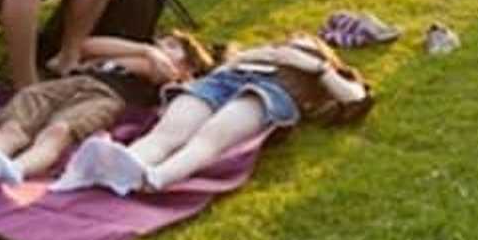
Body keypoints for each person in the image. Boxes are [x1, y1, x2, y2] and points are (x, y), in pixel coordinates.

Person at [56, 33, 372, 194]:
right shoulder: (261, 51)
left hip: (267, 93)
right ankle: (116, 166)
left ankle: (155, 179)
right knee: (166, 135)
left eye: (306, 43)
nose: (294, 42)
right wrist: (258, 54)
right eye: (290, 39)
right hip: (223, 81)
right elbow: (221, 68)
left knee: (209, 139)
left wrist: (315, 65)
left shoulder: (319, 70)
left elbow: (356, 99)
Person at [0, 32, 215, 188]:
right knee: (21, 113)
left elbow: (159, 71)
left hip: (106, 96)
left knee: (59, 130)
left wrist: (152, 57)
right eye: (160, 42)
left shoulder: (170, 76)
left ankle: (16, 168)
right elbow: (87, 45)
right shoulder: (142, 53)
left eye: (172, 46)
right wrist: (145, 49)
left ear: (187, 69)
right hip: (71, 82)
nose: (160, 48)